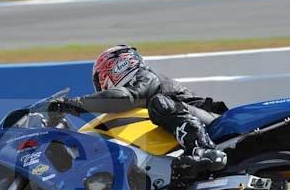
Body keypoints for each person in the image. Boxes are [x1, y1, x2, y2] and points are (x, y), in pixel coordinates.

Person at [51, 45, 228, 172]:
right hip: (197, 123)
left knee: (159, 104)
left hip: (215, 123)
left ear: (115, 69)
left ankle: (203, 149)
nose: (101, 86)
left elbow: (124, 97)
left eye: (101, 80)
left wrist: (74, 103)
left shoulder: (146, 77)